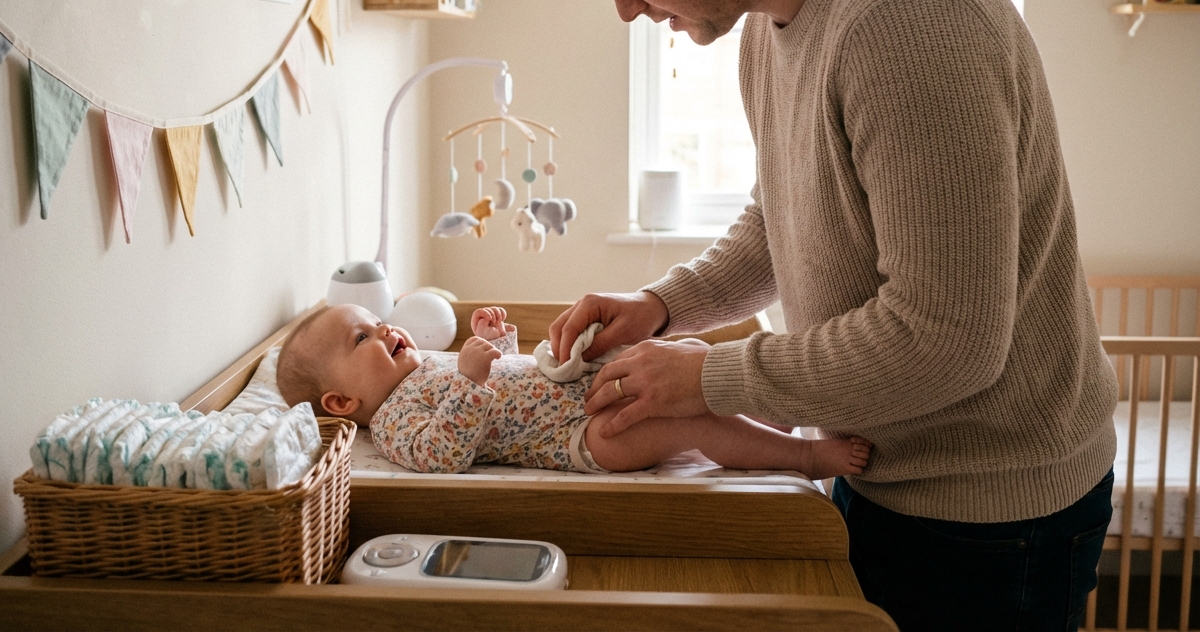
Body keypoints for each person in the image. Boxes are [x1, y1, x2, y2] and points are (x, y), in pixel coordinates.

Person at [530, 0, 1118, 632]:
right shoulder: (767, 33)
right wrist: (663, 306)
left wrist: (713, 378)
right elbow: (786, 222)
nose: (625, 8)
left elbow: (949, 340)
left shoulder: (908, 19)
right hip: (884, 467)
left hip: (994, 515)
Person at [276, 302, 870, 478]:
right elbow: (443, 455)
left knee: (685, 368)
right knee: (689, 427)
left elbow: (507, 382)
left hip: (579, 392)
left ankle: (767, 426)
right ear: (341, 403)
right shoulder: (394, 422)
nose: (384, 329)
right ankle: (807, 456)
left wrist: (496, 343)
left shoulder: (426, 367)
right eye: (362, 339)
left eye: (377, 319)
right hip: (578, 438)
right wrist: (472, 380)